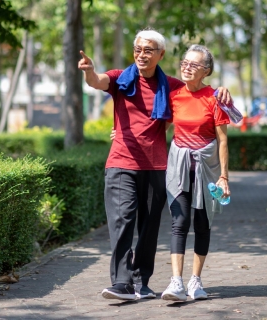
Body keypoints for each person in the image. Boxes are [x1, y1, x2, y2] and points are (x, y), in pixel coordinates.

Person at [78, 29, 231, 301]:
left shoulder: (171, 85)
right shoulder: (120, 79)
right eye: (138, 49)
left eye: (148, 50)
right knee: (122, 219)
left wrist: (221, 91)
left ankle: (141, 283)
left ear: (161, 54)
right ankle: (122, 283)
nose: (141, 54)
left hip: (158, 166)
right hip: (121, 162)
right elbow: (97, 81)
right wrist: (89, 71)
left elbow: (196, 97)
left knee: (149, 227)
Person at [160, 44, 231, 302]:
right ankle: (176, 282)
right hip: (178, 167)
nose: (186, 68)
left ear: (206, 71)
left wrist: (224, 176)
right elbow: (160, 130)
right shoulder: (175, 95)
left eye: (194, 65)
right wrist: (124, 135)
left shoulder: (215, 98)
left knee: (202, 224)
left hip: (207, 171)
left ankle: (195, 281)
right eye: (184, 63)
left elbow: (223, 140)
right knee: (179, 223)